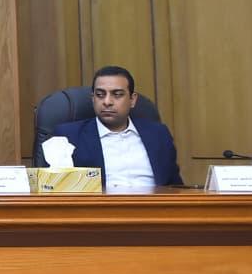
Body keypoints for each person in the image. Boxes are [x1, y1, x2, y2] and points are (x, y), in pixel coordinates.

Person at [48, 65, 182, 189]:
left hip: (155, 205)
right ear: (93, 99)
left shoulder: (158, 134)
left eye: (117, 95)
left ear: (132, 100)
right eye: (100, 95)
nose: (107, 102)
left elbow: (175, 187)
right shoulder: (69, 136)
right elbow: (53, 188)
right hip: (100, 206)